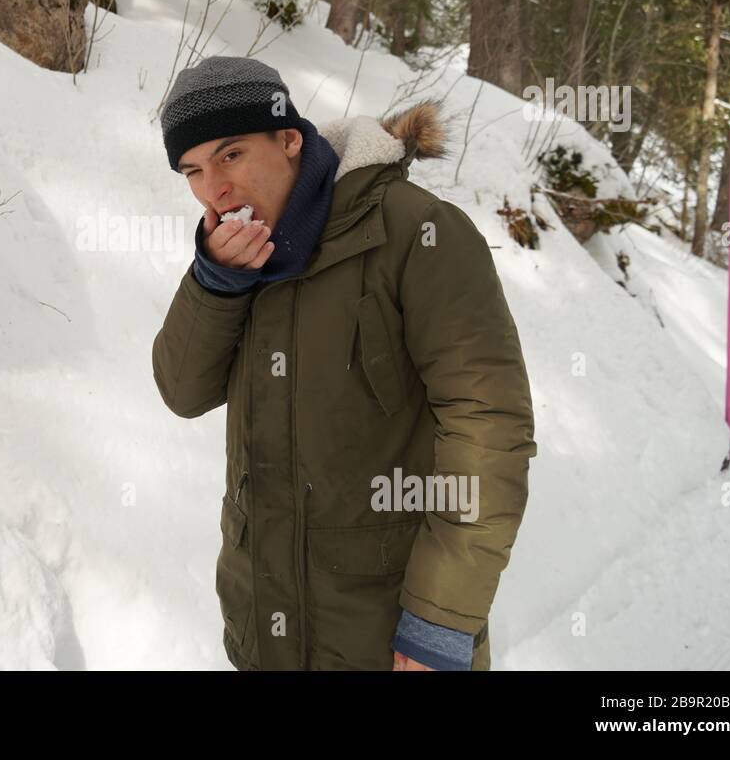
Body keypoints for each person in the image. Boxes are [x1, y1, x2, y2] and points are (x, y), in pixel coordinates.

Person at [151, 55, 537, 670]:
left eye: (230, 155)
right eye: (192, 171)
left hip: (386, 637)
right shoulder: (239, 259)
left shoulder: (417, 232)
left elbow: (487, 427)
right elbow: (182, 391)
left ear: (289, 138)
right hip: (264, 633)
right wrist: (214, 283)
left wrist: (440, 618)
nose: (213, 190)